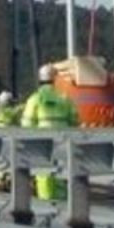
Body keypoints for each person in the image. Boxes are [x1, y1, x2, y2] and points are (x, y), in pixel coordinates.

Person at [19, 64, 76, 201]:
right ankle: (63, 200)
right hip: (62, 142)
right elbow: (75, 121)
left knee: (43, 172)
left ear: (39, 80)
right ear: (55, 80)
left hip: (41, 144)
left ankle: (46, 200)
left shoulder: (35, 99)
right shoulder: (64, 99)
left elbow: (26, 124)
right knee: (61, 170)